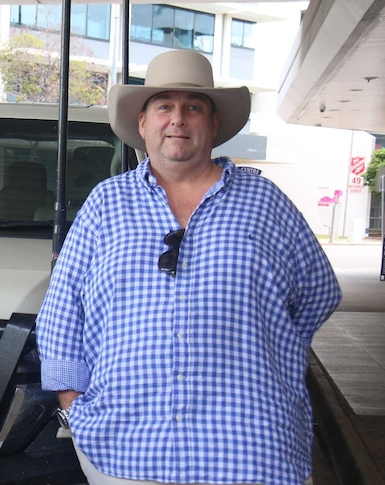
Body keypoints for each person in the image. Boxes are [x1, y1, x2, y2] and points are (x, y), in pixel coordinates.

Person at [36, 49, 341, 485]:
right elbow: (62, 313)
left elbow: (317, 294)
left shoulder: (265, 204)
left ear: (213, 124)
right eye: (164, 106)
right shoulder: (106, 204)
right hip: (124, 450)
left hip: (251, 450)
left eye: (193, 107)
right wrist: (74, 409)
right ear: (143, 124)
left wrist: (262, 346)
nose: (178, 119)